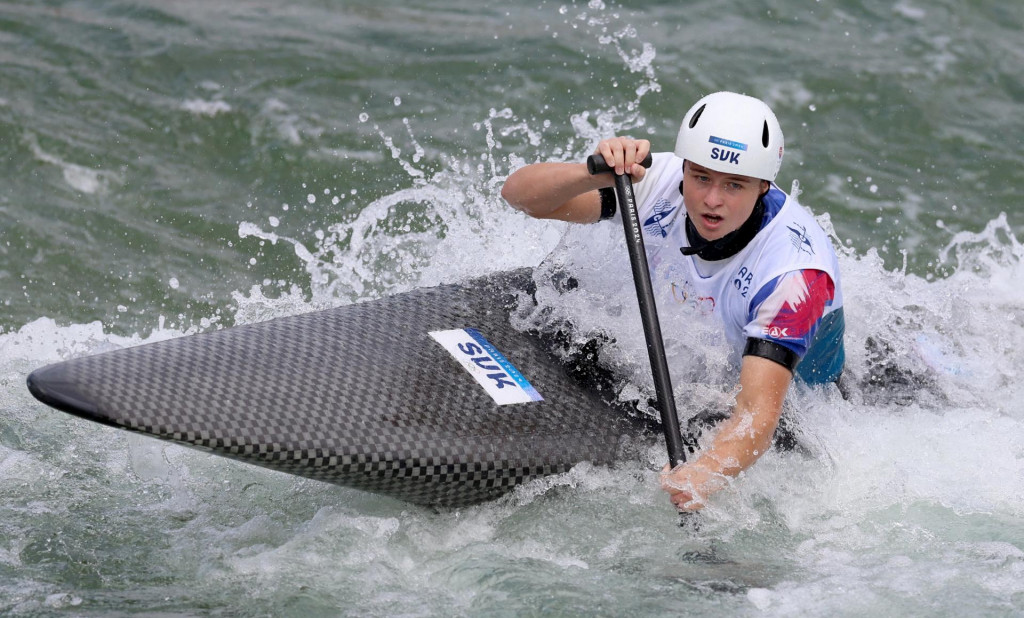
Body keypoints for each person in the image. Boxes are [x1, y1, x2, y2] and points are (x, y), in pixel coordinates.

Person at [501, 91, 845, 512]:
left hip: (808, 399)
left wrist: (705, 472)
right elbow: (520, 197)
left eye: (733, 185)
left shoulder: (794, 278)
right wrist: (594, 174)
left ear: (762, 187)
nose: (711, 199)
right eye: (700, 177)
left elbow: (757, 417)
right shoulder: (658, 181)